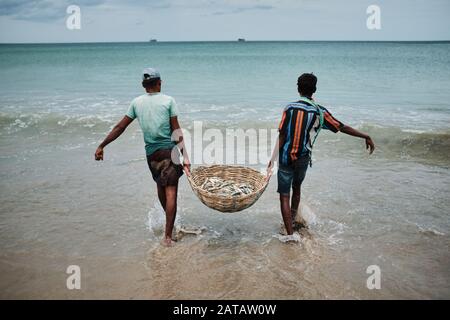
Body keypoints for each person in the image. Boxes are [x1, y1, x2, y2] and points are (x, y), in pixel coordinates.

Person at [267, 73, 375, 236]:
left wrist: (272, 159)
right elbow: (341, 127)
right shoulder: (319, 112)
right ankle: (294, 220)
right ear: (314, 90)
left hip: (285, 157)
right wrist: (365, 135)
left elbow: (282, 135)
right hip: (302, 158)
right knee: (297, 189)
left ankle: (290, 235)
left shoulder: (289, 108)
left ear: (298, 89)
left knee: (284, 196)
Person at [94, 68, 190, 247]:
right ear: (159, 83)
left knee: (161, 187)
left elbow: (119, 127)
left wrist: (102, 145)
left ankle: (170, 227)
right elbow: (177, 131)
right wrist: (186, 156)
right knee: (172, 192)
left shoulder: (136, 103)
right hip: (169, 151)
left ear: (143, 85)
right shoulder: (169, 101)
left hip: (151, 155)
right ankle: (168, 236)